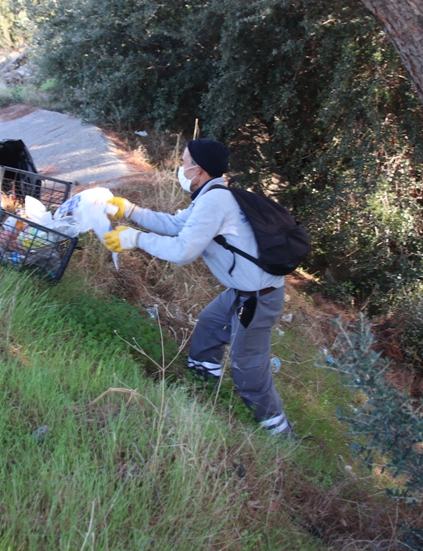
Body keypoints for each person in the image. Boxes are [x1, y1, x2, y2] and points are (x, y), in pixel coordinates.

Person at [102, 138, 295, 437]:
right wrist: (131, 210)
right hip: (242, 291)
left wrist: (134, 239)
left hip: (257, 299)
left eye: (184, 161)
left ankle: (280, 433)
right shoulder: (211, 196)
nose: (180, 167)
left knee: (247, 368)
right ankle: (202, 390)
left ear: (199, 169)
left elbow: (183, 251)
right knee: (210, 325)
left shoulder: (215, 201)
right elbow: (176, 226)